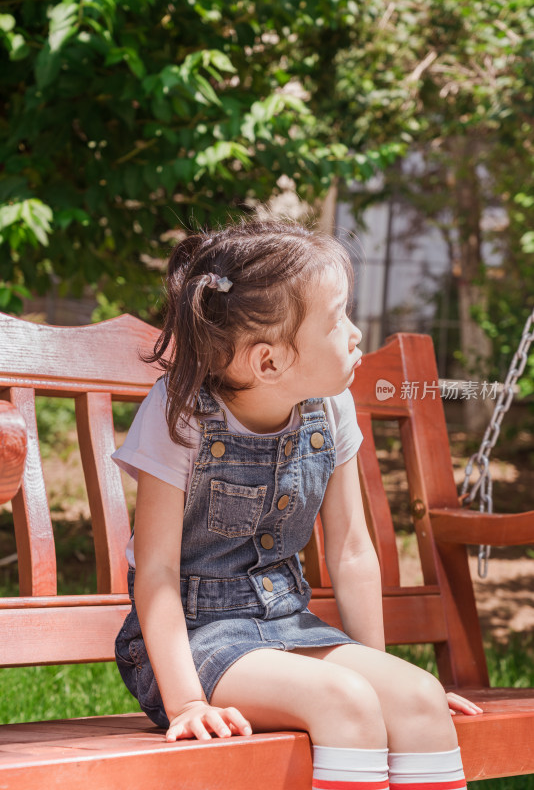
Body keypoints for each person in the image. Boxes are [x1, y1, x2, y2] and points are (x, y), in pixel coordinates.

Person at [112, 219, 482, 790]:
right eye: (338, 321)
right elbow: (156, 572)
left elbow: (353, 550)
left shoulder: (329, 409)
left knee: (417, 699)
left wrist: (383, 672)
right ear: (268, 363)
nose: (357, 334)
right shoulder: (181, 415)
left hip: (289, 624)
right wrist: (186, 701)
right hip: (196, 641)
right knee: (346, 703)